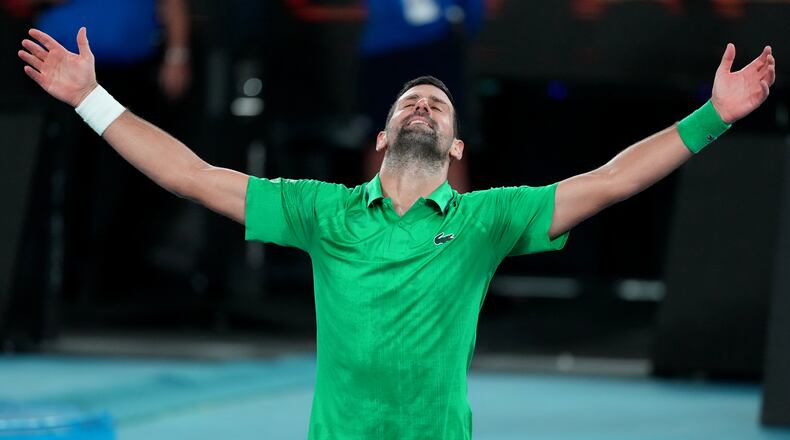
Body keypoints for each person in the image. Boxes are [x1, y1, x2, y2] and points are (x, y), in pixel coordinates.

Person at [18, 27, 775, 439]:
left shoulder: (487, 220)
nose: (422, 105)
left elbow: (614, 179)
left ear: (456, 150)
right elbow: (190, 174)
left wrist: (713, 117)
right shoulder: (324, 212)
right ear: (380, 139)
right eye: (410, 101)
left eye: (437, 107)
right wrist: (90, 100)